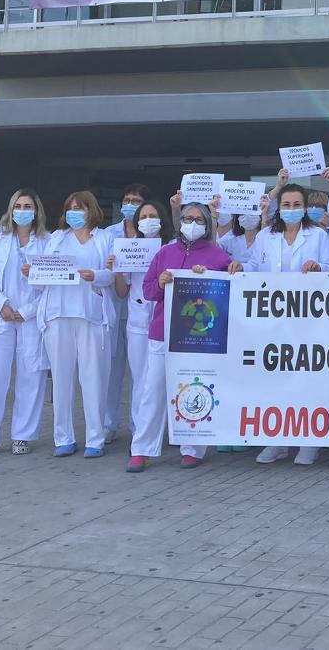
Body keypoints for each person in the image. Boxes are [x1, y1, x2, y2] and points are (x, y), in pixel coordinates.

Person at [128, 202, 239, 472]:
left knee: (195, 387)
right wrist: (162, 282)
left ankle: (193, 448)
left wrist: (228, 272)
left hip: (198, 336)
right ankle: (141, 449)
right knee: (151, 390)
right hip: (162, 331)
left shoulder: (218, 256)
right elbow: (148, 291)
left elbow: (231, 293)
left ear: (207, 225)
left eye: (198, 219)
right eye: (187, 217)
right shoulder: (164, 253)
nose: (192, 223)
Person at [246, 183, 329, 466]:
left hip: (308, 319)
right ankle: (277, 442)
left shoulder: (319, 235)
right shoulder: (264, 236)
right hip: (272, 320)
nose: (292, 210)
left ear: (306, 208)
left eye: (298, 205)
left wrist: (319, 268)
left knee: (307, 379)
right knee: (274, 380)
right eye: (287, 205)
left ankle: (309, 443)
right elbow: (253, 268)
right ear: (278, 207)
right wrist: (237, 268)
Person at [29, 191, 116, 459]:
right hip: (58, 314)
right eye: (70, 208)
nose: (74, 212)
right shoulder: (56, 238)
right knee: (62, 380)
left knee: (93, 379)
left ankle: (95, 439)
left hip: (91, 316)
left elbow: (113, 274)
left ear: (91, 210)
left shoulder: (104, 238)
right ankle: (63, 437)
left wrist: (96, 275)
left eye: (79, 208)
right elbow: (42, 276)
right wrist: (31, 271)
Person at [0, 188, 50, 457]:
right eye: (19, 205)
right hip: (0, 316)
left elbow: (52, 285)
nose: (23, 211)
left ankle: (22, 436)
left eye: (29, 206)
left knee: (31, 377)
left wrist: (26, 311)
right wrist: (1, 304)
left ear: (36, 210)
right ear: (11, 208)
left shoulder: (48, 242)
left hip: (29, 318)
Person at [109, 201, 173, 462]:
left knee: (162, 379)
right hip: (136, 321)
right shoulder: (129, 248)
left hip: (165, 322)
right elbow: (122, 292)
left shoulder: (170, 249)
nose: (148, 220)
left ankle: (166, 432)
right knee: (140, 381)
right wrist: (116, 270)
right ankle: (140, 435)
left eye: (153, 216)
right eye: (143, 217)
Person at [102, 183, 151, 444]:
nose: (130, 204)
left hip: (138, 312)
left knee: (139, 372)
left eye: (135, 200)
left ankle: (137, 427)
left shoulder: (149, 236)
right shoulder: (108, 234)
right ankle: (108, 424)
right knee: (112, 371)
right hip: (113, 308)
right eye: (127, 199)